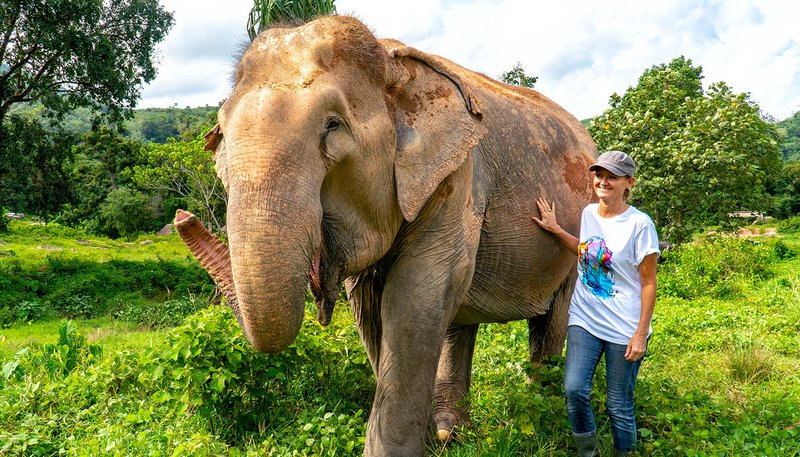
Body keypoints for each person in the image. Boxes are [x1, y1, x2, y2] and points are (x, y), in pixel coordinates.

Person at [531, 150, 659, 457]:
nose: (603, 181)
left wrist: (640, 333)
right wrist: (556, 229)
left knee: (618, 404)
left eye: (612, 177)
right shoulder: (588, 214)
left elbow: (648, 281)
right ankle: (589, 453)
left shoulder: (640, 225)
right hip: (585, 320)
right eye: (599, 175)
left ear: (629, 183)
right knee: (574, 390)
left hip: (623, 328)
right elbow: (587, 249)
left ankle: (622, 454)